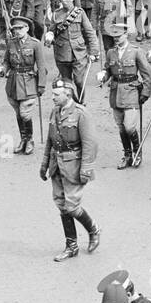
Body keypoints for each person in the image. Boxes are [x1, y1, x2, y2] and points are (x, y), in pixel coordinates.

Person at [40, 78, 101, 262]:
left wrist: (86, 170)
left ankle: (93, 229)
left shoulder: (81, 114)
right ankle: (71, 246)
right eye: (52, 94)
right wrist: (44, 164)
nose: (52, 98)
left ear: (68, 94)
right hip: (56, 164)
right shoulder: (54, 112)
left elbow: (91, 144)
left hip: (73, 166)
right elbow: (50, 140)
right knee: (61, 204)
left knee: (72, 206)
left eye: (56, 95)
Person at [98, 23, 151, 169]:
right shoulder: (110, 52)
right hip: (115, 93)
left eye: (119, 35)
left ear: (126, 34)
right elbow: (108, 70)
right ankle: (127, 155)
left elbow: (146, 73)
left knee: (129, 127)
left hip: (131, 91)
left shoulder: (136, 51)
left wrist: (146, 92)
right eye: (114, 36)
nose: (116, 38)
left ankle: (137, 151)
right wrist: (103, 75)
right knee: (121, 128)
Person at [0, 14, 49, 156]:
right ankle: (23, 140)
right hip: (13, 82)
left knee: (25, 113)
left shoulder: (35, 44)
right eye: (14, 29)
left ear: (27, 28)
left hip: (29, 82)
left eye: (19, 28)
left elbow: (42, 66)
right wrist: (2, 70)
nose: (16, 31)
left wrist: (41, 85)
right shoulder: (11, 43)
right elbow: (7, 61)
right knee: (18, 113)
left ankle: (30, 140)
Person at [46, 0, 98, 101]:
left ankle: (81, 101)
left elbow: (90, 32)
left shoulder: (79, 13)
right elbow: (51, 30)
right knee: (67, 82)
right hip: (62, 53)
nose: (63, 1)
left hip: (78, 52)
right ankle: (73, 103)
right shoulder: (56, 14)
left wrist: (94, 51)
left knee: (79, 81)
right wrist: (49, 36)